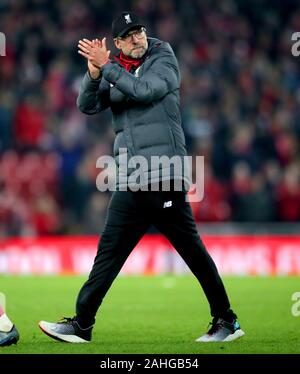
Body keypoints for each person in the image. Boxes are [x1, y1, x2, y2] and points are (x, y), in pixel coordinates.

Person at [39, 11, 245, 343]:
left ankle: (227, 320)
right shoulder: (115, 68)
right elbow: (87, 105)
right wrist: (93, 73)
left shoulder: (163, 55)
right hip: (132, 178)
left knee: (190, 251)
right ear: (118, 43)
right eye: (129, 35)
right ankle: (82, 323)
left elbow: (146, 90)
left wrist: (107, 67)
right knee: (110, 252)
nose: (138, 38)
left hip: (164, 174)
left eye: (140, 31)